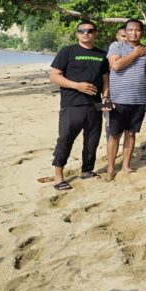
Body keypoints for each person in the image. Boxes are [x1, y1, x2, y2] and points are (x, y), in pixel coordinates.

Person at [49, 20, 110, 190]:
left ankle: (87, 171)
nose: (85, 33)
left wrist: (106, 98)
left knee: (92, 141)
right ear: (77, 34)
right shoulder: (67, 52)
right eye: (82, 31)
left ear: (95, 34)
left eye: (89, 31)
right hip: (72, 104)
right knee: (65, 139)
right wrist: (77, 86)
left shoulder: (101, 55)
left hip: (95, 105)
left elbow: (105, 79)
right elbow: (54, 76)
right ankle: (58, 177)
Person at [105, 19, 146, 179]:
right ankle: (110, 168)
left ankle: (126, 166)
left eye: (137, 30)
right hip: (118, 99)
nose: (134, 33)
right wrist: (134, 54)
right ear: (125, 32)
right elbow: (116, 66)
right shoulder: (116, 46)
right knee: (114, 134)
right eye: (130, 30)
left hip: (139, 100)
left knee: (131, 134)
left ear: (142, 33)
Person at [105, 25, 127, 142]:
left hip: (128, 96)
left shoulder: (134, 50)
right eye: (123, 36)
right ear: (117, 36)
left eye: (127, 36)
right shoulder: (114, 47)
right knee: (110, 123)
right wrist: (105, 96)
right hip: (110, 94)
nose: (125, 39)